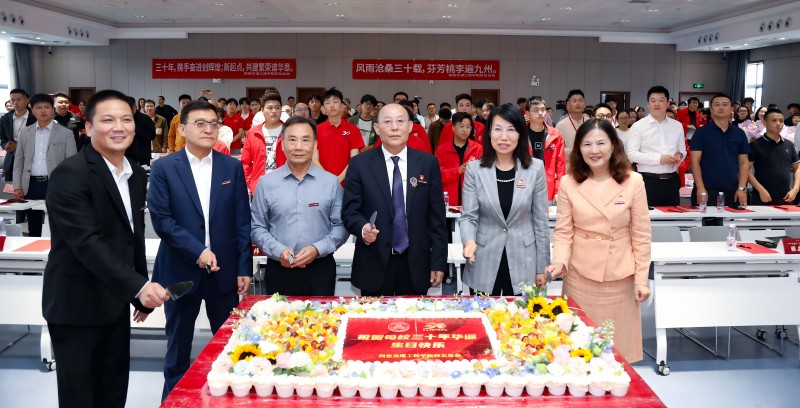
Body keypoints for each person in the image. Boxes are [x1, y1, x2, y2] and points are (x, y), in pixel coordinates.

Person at [43, 89, 169, 407]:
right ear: (88, 127)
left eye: (126, 119)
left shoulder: (134, 174)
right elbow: (86, 243)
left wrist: (138, 291)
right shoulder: (70, 174)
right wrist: (138, 286)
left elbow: (132, 237)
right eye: (108, 120)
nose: (119, 127)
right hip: (76, 307)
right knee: (81, 398)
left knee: (112, 393)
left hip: (114, 304)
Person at [148, 100, 252, 400]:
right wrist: (198, 251)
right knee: (178, 349)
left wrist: (244, 267)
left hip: (224, 272)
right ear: (182, 129)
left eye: (214, 124)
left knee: (230, 348)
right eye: (200, 123)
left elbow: (241, 220)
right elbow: (162, 221)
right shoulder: (165, 167)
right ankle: (173, 401)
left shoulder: (231, 166)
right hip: (180, 271)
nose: (209, 129)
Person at [543, 118, 651, 364]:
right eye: (587, 144)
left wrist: (641, 280)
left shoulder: (633, 181)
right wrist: (559, 261)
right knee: (577, 351)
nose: (594, 150)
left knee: (617, 354)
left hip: (620, 277)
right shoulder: (569, 183)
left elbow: (642, 235)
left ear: (613, 144)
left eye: (601, 143)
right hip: (580, 276)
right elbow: (563, 231)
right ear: (578, 148)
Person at [342, 103, 447, 296]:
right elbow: (350, 211)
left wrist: (438, 262)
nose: (394, 127)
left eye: (400, 121)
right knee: (373, 316)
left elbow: (437, 218)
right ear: (377, 128)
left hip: (416, 263)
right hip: (374, 261)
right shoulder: (360, 164)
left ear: (410, 126)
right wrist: (363, 229)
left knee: (415, 315)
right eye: (387, 122)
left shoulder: (427, 163)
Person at [251, 116, 349, 295]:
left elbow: (341, 226)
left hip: (320, 269)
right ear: (282, 144)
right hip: (279, 269)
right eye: (292, 140)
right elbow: (257, 227)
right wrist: (278, 250)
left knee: (322, 314)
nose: (298, 147)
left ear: (315, 145)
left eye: (305, 140)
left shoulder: (331, 183)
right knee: (278, 314)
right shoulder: (266, 183)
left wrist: (317, 249)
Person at [460, 104, 550, 295]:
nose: (504, 137)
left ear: (520, 134)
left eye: (511, 130)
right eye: (498, 129)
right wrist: (468, 241)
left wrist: (542, 266)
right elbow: (469, 216)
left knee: (520, 314)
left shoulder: (535, 168)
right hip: (483, 258)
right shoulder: (475, 170)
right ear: (489, 132)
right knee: (482, 312)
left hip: (524, 261)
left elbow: (541, 222)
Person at [12, 94, 77, 236]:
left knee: (58, 222)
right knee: (33, 224)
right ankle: (35, 249)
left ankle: (57, 249)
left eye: (47, 107)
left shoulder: (66, 133)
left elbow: (72, 165)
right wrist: (17, 186)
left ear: (53, 110)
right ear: (32, 110)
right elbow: (19, 161)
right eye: (38, 107)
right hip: (31, 185)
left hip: (56, 184)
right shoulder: (25, 133)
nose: (43, 111)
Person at [626, 86, 686, 206]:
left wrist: (679, 156)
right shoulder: (638, 126)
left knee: (672, 215)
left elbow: (682, 150)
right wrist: (659, 159)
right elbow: (631, 154)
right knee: (646, 216)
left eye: (661, 100)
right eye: (653, 100)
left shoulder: (677, 125)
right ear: (648, 104)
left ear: (668, 103)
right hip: (647, 181)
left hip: (671, 181)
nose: (657, 104)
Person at [690, 94, 751, 208]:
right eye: (717, 105)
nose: (721, 107)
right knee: (706, 219)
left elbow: (744, 162)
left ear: (732, 109)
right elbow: (694, 161)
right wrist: (700, 187)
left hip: (733, 189)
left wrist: (742, 188)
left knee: (731, 219)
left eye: (725, 105)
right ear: (711, 109)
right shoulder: (701, 133)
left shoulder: (739, 133)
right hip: (707, 189)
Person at [748, 109, 800, 205]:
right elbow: (745, 170)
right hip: (762, 196)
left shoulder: (789, 144)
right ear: (764, 122)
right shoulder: (755, 145)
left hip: (786, 197)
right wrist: (760, 189)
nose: (778, 123)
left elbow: (797, 168)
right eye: (774, 120)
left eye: (781, 121)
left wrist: (795, 189)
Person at [313, 87, 364, 183]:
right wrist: (327, 179)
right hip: (322, 181)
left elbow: (354, 159)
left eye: (335, 102)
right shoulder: (316, 130)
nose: (332, 105)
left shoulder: (353, 130)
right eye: (327, 103)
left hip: (347, 182)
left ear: (342, 105)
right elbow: (314, 159)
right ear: (323, 108)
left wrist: (337, 180)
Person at [436, 112, 483, 206]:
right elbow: (437, 174)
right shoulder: (442, 150)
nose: (465, 130)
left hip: (471, 200)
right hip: (449, 201)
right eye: (461, 126)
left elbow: (483, 173)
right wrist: (457, 171)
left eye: (468, 127)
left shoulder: (477, 148)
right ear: (453, 128)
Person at [242, 91, 284, 194]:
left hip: (285, 188)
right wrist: (250, 183)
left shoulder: (290, 131)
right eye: (270, 108)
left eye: (277, 108)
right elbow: (245, 162)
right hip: (259, 188)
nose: (274, 111)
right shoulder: (253, 133)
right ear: (262, 110)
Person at [527, 97, 566, 202]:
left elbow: (561, 165)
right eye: (536, 110)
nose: (540, 113)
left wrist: (558, 191)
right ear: (527, 113)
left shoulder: (555, 135)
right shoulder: (520, 135)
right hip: (525, 186)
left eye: (543, 109)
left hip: (548, 187)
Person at [0, 88, 36, 182]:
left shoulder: (35, 118)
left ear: (26, 100)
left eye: (19, 99)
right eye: (12, 100)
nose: (15, 102)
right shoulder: (5, 119)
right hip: (11, 161)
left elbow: (39, 141)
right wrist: (6, 146)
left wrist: (18, 146)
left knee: (28, 187)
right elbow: (3, 139)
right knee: (10, 187)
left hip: (31, 161)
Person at [555, 89, 590, 160]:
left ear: (584, 104)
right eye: (574, 101)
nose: (578, 103)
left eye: (580, 100)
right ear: (568, 104)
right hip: (569, 163)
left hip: (589, 162)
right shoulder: (561, 125)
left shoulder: (590, 123)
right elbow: (557, 147)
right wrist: (575, 153)